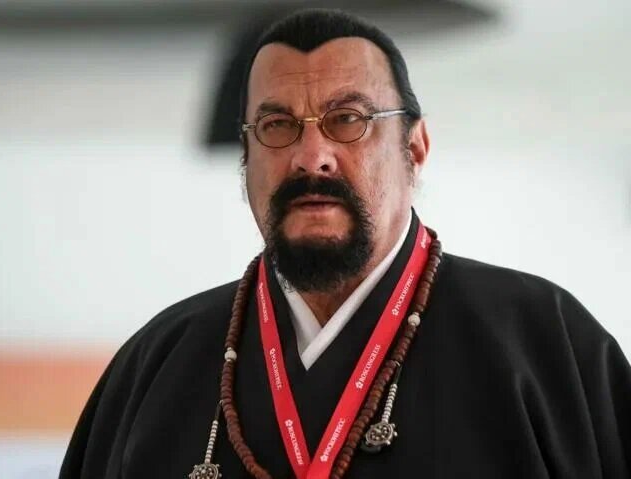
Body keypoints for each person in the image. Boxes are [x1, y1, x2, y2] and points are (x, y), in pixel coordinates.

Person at [59, 9, 631, 479]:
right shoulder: (157, 366)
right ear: (246, 158)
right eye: (277, 126)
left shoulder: (545, 345)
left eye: (348, 119)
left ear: (415, 148)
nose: (312, 157)